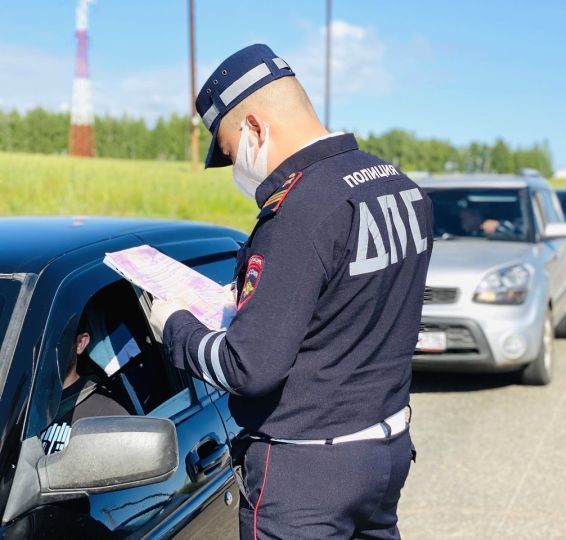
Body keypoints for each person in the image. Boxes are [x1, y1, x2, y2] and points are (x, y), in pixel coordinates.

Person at [149, 44, 433, 539]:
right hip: (383, 455)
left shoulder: (298, 212)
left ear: (255, 128)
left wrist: (174, 325)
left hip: (306, 478)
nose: (237, 168)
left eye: (232, 152)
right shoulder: (401, 188)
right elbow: (353, 307)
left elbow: (249, 369)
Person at [40, 317, 130, 455]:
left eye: (52, 338)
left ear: (80, 343)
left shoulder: (107, 414)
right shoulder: (16, 406)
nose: (41, 349)